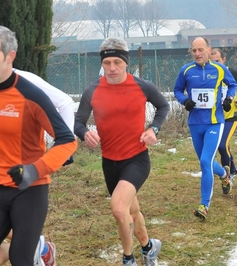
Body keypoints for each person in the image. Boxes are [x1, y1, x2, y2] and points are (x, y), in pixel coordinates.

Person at [74, 38, 169, 266]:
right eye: (107, 63)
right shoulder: (93, 90)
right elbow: (78, 121)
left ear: (126, 63)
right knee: (131, 211)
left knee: (118, 208)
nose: (112, 68)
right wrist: (85, 133)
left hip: (136, 159)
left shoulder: (141, 85)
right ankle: (149, 247)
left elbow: (163, 106)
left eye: (117, 62)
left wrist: (154, 128)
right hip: (109, 162)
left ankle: (128, 259)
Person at [0, 25, 77, 265]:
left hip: (29, 188)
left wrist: (34, 170)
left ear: (10, 56)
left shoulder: (30, 94)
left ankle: (42, 253)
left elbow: (67, 140)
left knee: (20, 258)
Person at [174, 37, 237, 220]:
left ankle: (204, 205)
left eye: (200, 50)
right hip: (195, 123)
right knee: (206, 161)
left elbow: (232, 84)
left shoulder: (219, 69)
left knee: (205, 161)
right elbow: (177, 90)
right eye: (194, 51)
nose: (197, 54)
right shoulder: (186, 70)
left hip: (214, 122)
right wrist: (184, 100)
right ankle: (225, 174)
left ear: (208, 50)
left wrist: (228, 99)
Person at [210, 48, 237, 182]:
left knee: (222, 145)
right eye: (212, 61)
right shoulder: (209, 74)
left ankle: (228, 175)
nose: (215, 64)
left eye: (218, 61)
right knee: (222, 146)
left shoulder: (230, 72)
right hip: (216, 117)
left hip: (231, 116)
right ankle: (233, 170)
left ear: (224, 59)